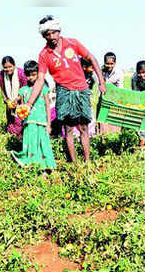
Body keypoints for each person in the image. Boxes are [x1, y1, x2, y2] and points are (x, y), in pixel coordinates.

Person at [24, 15, 106, 162]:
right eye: (47, 34)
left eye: (54, 32)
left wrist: (101, 81)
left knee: (83, 128)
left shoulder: (72, 43)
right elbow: (40, 79)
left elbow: (91, 58)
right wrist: (29, 103)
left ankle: (87, 161)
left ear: (59, 31)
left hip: (81, 90)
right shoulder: (44, 55)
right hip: (63, 92)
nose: (51, 36)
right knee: (68, 129)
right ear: (44, 36)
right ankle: (73, 163)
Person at [11, 61, 56, 169]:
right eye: (28, 75)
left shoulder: (44, 89)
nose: (31, 77)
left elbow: (47, 107)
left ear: (38, 74)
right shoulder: (23, 91)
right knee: (30, 144)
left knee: (43, 144)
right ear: (25, 75)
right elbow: (21, 108)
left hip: (41, 122)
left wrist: (49, 124)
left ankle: (46, 166)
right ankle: (33, 165)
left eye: (33, 75)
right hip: (29, 122)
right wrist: (15, 104)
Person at [0, 56, 27, 138]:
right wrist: (6, 100)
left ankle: (21, 138)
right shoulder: (1, 75)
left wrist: (17, 99)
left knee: (20, 121)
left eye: (10, 67)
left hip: (21, 102)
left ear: (14, 65)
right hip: (10, 102)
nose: (8, 69)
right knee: (11, 121)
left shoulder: (21, 73)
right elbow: (2, 89)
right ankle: (12, 137)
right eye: (5, 67)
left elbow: (25, 89)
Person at [98, 52, 124, 134]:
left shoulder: (118, 73)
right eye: (107, 63)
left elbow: (120, 88)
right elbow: (100, 85)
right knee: (102, 120)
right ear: (104, 63)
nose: (109, 66)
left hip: (115, 98)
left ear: (115, 63)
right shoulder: (101, 71)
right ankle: (102, 136)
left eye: (111, 64)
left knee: (114, 120)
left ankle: (114, 136)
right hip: (104, 98)